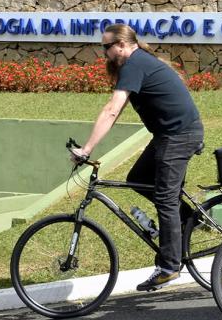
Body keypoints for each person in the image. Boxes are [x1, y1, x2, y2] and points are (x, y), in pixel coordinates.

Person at [71, 23, 204, 292]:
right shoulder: (136, 63)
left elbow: (111, 110)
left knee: (165, 199)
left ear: (121, 44)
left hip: (180, 135)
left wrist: (86, 149)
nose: (104, 53)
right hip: (169, 135)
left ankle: (169, 267)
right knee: (138, 178)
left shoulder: (134, 63)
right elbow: (115, 112)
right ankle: (189, 221)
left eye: (106, 47)